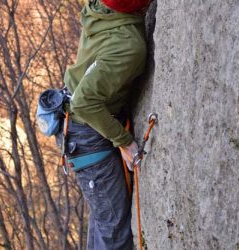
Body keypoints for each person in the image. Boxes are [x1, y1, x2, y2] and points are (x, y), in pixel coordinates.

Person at [58, 0, 149, 249]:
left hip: (77, 127)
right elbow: (84, 103)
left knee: (105, 218)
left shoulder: (99, 8)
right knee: (115, 232)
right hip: (87, 131)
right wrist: (125, 142)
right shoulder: (129, 46)